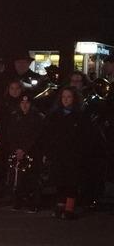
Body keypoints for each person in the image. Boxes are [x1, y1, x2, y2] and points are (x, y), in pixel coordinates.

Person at [44, 87, 85, 220]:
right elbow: (49, 134)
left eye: (69, 97)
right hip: (59, 153)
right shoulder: (55, 115)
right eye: (64, 97)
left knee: (71, 182)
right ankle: (60, 206)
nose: (66, 100)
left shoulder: (80, 115)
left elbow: (84, 136)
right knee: (59, 180)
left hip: (73, 154)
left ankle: (69, 208)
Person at [6, 94, 44, 212]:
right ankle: (18, 200)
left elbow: (37, 135)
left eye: (27, 103)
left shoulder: (37, 117)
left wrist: (25, 149)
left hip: (32, 152)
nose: (24, 105)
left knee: (33, 177)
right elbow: (11, 134)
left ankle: (34, 203)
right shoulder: (15, 116)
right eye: (22, 103)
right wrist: (16, 149)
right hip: (18, 151)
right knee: (19, 177)